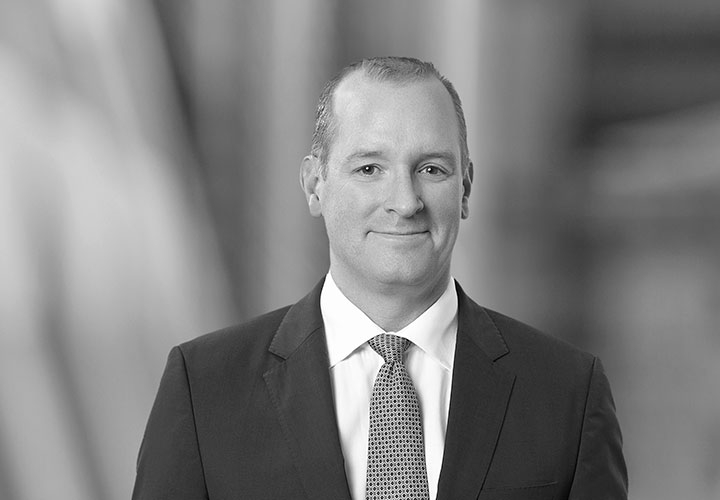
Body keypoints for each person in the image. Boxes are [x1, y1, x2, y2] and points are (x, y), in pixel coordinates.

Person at [132, 56, 628, 500]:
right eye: (369, 169)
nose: (405, 202)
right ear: (314, 185)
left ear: (465, 188)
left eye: (431, 169)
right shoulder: (204, 390)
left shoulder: (567, 393)